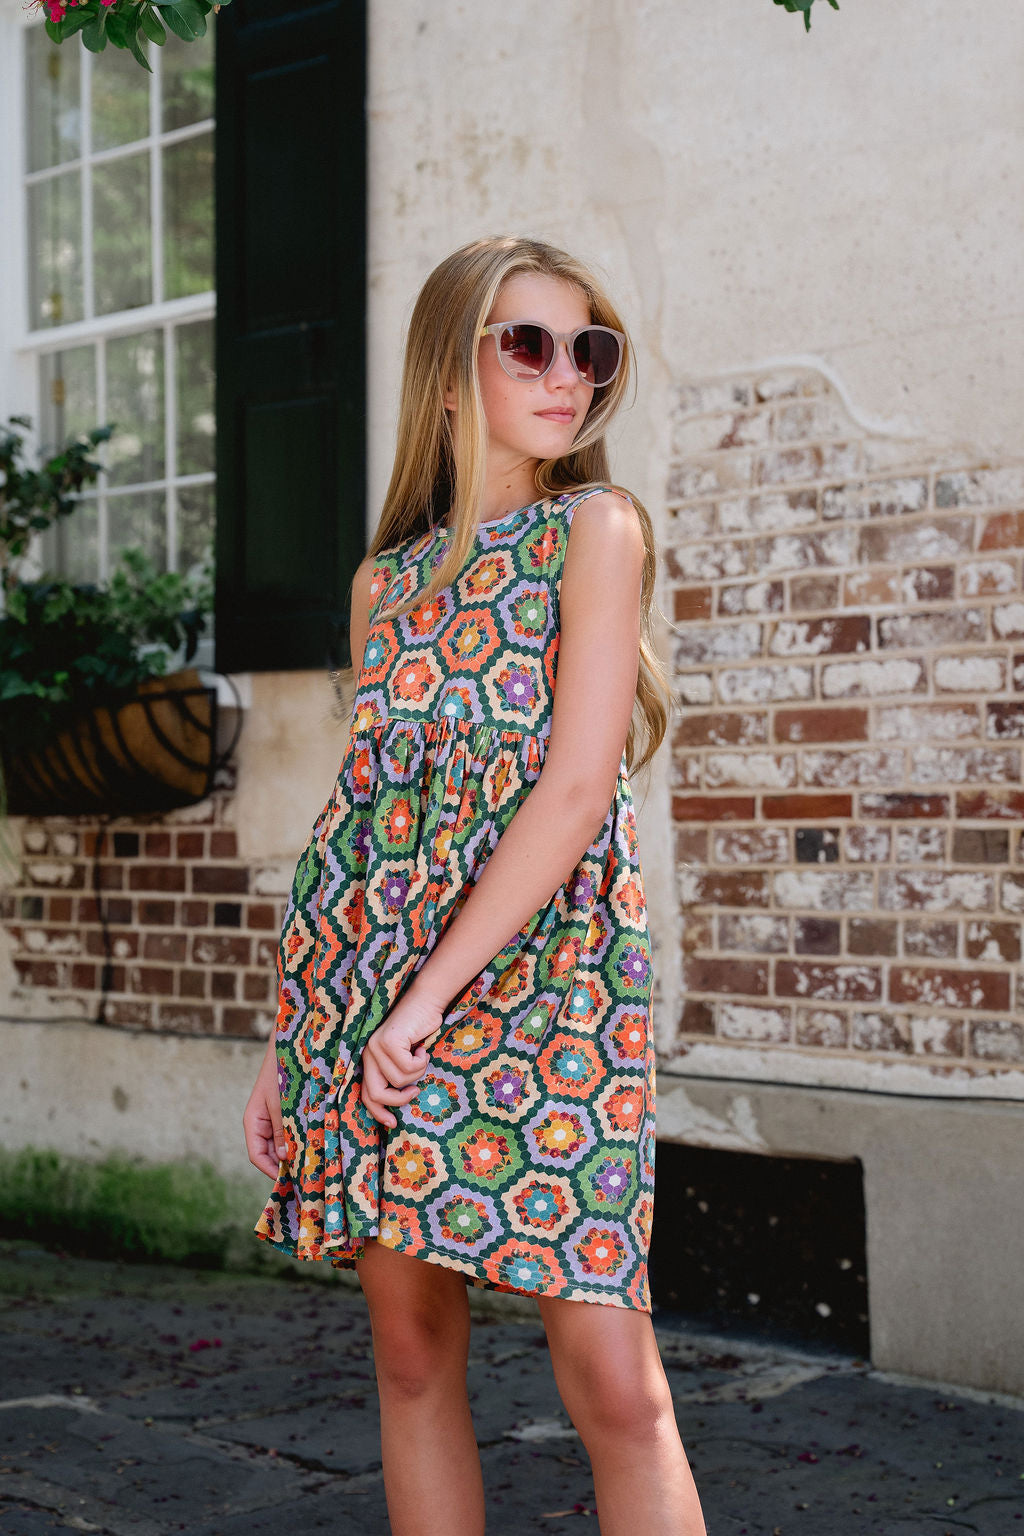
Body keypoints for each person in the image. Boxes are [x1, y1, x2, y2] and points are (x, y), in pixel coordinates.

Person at [243, 234, 707, 1536]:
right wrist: (290, 1040)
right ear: (450, 376)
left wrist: (426, 999)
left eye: (590, 351)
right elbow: (361, 829)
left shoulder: (596, 530)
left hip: (546, 986)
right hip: (372, 989)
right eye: (529, 344)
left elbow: (575, 791)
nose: (567, 376)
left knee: (616, 1383)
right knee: (408, 1351)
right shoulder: (383, 584)